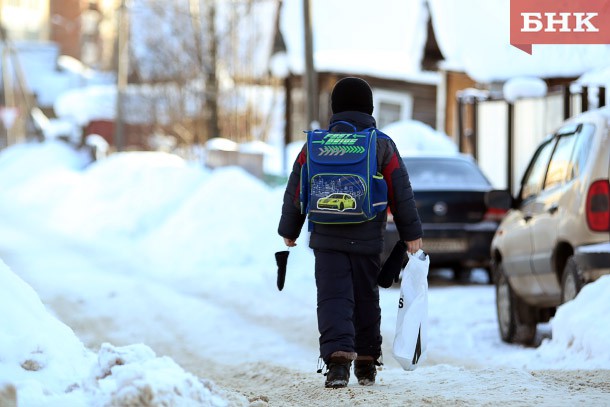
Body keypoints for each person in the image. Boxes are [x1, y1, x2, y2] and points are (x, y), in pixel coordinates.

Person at [278, 77, 423, 388]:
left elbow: (296, 189)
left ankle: (338, 361)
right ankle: (368, 362)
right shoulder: (381, 143)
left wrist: (290, 229)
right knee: (365, 297)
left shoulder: (315, 144)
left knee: (333, 297)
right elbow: (401, 191)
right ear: (369, 109)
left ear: (335, 109)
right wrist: (411, 233)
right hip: (368, 236)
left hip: (326, 237)